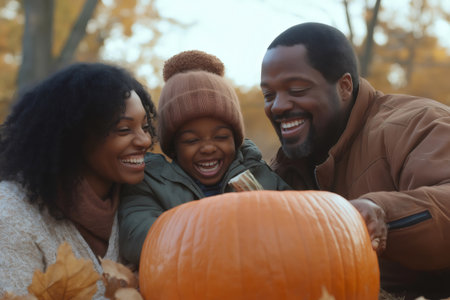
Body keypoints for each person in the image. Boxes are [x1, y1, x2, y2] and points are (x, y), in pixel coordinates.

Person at [260, 22, 450, 299]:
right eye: (268, 95)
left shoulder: (418, 124)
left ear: (344, 87)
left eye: (297, 90)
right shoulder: (283, 175)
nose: (278, 105)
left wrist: (380, 212)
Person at [118, 50, 291, 266]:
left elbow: (296, 220)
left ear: (236, 140)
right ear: (174, 147)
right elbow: (138, 237)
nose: (208, 148)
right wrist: (220, 238)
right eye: (191, 141)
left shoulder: (257, 173)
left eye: (221, 137)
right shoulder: (152, 183)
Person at [0, 62, 157, 298]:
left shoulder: (141, 198)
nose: (145, 140)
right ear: (73, 137)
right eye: (124, 129)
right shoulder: (11, 213)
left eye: (145, 126)